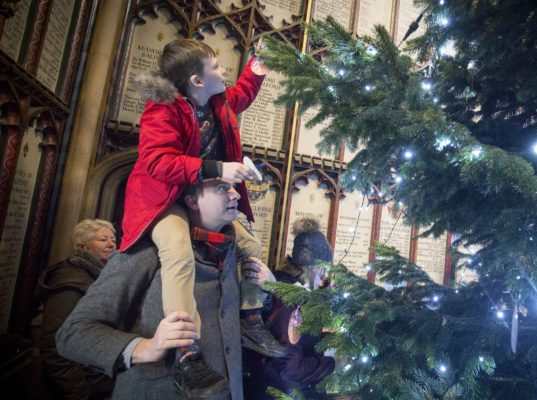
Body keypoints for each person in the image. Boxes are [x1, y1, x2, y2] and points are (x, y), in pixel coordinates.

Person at [119, 37, 285, 388]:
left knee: (250, 246)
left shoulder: (215, 100)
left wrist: (256, 69)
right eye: (216, 67)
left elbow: (241, 95)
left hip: (199, 195)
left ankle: (251, 320)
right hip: (165, 200)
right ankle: (186, 350)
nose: (224, 70)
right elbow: (157, 162)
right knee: (178, 254)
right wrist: (217, 169)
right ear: (196, 80)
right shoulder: (162, 109)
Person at [56, 178, 272, 399]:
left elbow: (227, 324)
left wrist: (267, 289)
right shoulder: (147, 252)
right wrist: (144, 348)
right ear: (192, 200)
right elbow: (73, 333)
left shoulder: (231, 254)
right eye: (221, 188)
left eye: (234, 187)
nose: (236, 194)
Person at [246, 218, 336, 399]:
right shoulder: (292, 299)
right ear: (312, 268)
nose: (326, 278)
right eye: (323, 270)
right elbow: (290, 366)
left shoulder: (286, 286)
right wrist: (332, 364)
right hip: (285, 392)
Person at [36, 219, 117, 400]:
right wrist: (80, 393)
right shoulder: (70, 282)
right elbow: (53, 345)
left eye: (113, 240)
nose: (111, 244)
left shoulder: (100, 276)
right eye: (103, 240)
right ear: (82, 246)